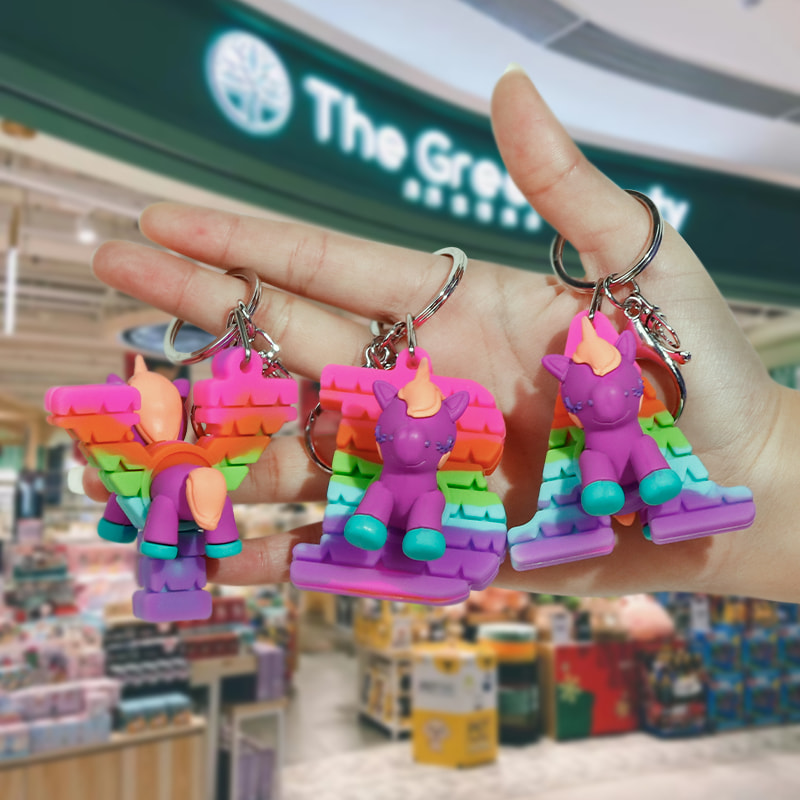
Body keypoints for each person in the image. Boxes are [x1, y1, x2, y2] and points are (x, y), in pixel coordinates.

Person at [90, 67, 800, 602]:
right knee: (390, 503)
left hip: (519, 474)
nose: (410, 442)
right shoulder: (404, 438)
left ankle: (621, 492)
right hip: (405, 492)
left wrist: (764, 452)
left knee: (631, 458)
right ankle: (411, 530)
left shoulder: (592, 392)